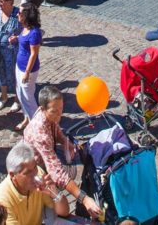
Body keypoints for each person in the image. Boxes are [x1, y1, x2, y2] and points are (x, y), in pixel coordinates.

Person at [23, 86, 103, 218]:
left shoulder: (48, 115)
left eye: (61, 109)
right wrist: (84, 198)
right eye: (55, 111)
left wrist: (67, 142)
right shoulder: (40, 133)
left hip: (44, 161)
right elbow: (56, 171)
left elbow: (55, 128)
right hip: (35, 169)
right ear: (42, 109)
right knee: (60, 207)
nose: (59, 115)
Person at [0, 141, 72, 225]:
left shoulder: (39, 175)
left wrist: (55, 193)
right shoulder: (2, 199)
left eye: (35, 167)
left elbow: (64, 212)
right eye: (28, 172)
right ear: (12, 175)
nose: (34, 175)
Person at [0, 0, 23, 113]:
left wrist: (18, 38)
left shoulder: (19, 14)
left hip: (14, 52)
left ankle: (17, 100)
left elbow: (28, 32)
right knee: (1, 73)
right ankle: (4, 97)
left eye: (2, 1)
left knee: (15, 76)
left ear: (10, 2)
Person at [15, 3, 43, 132]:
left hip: (28, 71)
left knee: (29, 98)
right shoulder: (25, 27)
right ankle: (27, 118)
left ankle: (38, 125)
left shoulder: (35, 32)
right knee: (21, 95)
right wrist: (16, 38)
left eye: (19, 13)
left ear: (26, 15)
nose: (17, 15)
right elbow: (23, 40)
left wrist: (26, 72)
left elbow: (34, 54)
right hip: (19, 67)